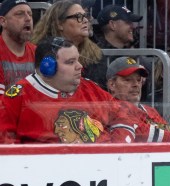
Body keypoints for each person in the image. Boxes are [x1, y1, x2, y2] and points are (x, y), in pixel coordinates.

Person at [0, 37, 136, 144]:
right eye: (71, 62)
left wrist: (119, 146)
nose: (80, 66)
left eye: (78, 60)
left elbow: (122, 114)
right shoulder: (18, 97)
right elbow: (6, 144)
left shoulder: (89, 88)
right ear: (47, 67)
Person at [31, 0, 108, 89]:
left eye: (85, 16)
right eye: (79, 16)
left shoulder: (96, 54)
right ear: (59, 23)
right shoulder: (37, 52)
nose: (86, 20)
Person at [106, 56, 170, 142]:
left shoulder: (150, 110)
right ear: (112, 84)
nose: (136, 84)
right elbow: (141, 132)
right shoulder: (112, 110)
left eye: (138, 80)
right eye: (128, 80)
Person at [0, 0, 35, 95]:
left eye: (30, 14)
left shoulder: (37, 52)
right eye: (20, 14)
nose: (28, 18)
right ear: (3, 21)